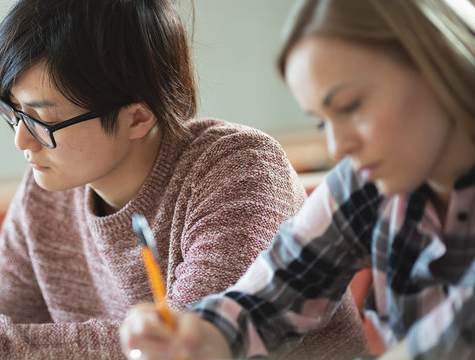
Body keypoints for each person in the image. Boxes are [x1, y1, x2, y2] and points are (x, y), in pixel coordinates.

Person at [0, 0, 369, 359]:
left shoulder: (239, 172)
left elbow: (183, 343)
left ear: (138, 118)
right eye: (12, 112)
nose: (21, 141)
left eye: (42, 118)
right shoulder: (45, 196)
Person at [120, 0, 475, 359]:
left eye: (351, 106)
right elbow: (275, 292)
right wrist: (197, 334)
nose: (337, 147)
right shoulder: (365, 182)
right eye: (323, 122)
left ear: (433, 65)